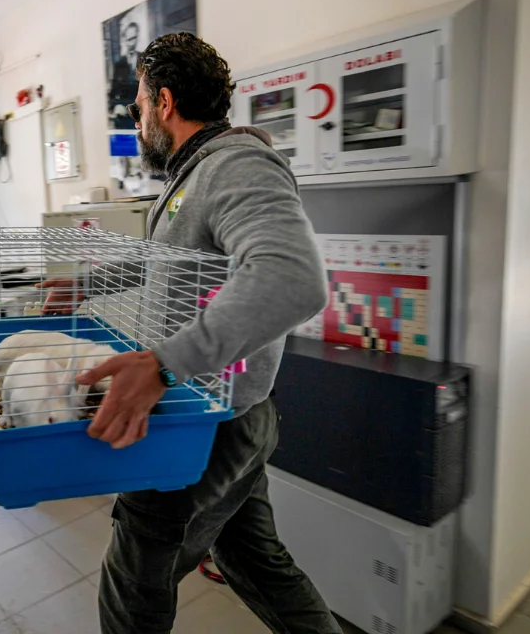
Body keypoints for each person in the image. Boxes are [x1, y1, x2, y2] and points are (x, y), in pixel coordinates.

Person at [44, 33, 342, 633]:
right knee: (255, 561)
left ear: (165, 102)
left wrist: (162, 364)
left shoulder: (235, 165)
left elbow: (293, 279)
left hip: (208, 427)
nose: (136, 122)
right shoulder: (192, 176)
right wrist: (89, 284)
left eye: (138, 106)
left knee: (134, 581)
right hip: (229, 415)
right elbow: (168, 259)